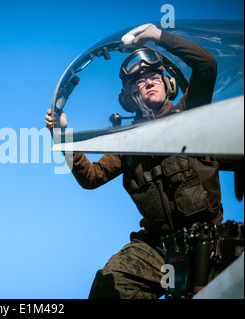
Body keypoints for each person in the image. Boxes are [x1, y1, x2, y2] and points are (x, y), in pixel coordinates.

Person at [45, 24, 222, 298]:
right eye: (140, 81)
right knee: (109, 284)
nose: (149, 81)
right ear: (129, 97)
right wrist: (64, 136)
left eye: (154, 76)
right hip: (159, 249)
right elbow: (91, 178)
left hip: (209, 240)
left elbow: (206, 66)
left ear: (168, 84)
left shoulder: (191, 113)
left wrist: (158, 36)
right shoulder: (128, 142)